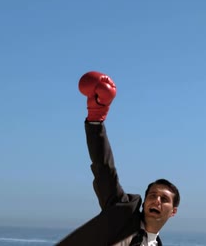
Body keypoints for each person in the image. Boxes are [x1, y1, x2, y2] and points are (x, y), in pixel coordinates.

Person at [56, 71, 180, 246]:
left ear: (173, 212)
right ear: (144, 203)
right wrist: (96, 118)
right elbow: (104, 169)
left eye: (164, 199)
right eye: (152, 195)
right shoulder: (121, 213)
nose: (156, 201)